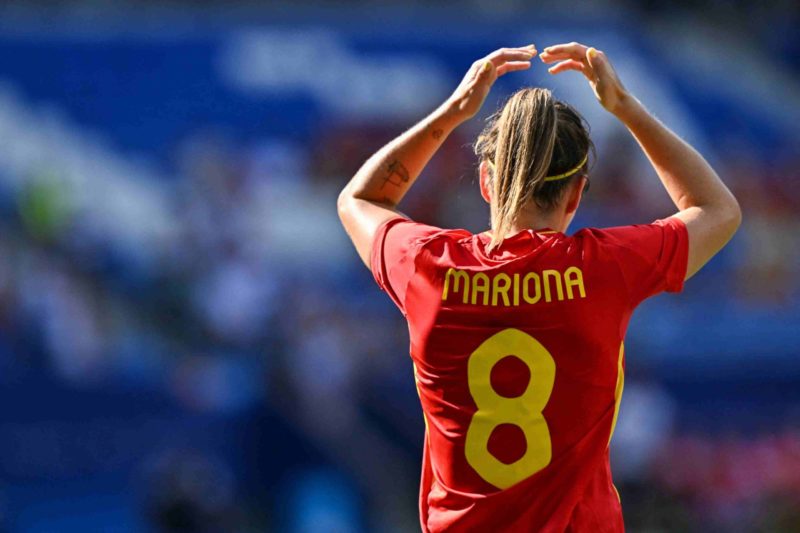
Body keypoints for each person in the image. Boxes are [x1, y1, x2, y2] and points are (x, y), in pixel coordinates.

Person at [337, 42, 741, 532]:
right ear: (575, 193)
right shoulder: (603, 269)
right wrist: (625, 109)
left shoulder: (428, 265)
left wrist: (454, 112)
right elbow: (716, 209)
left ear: (486, 182)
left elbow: (362, 197)